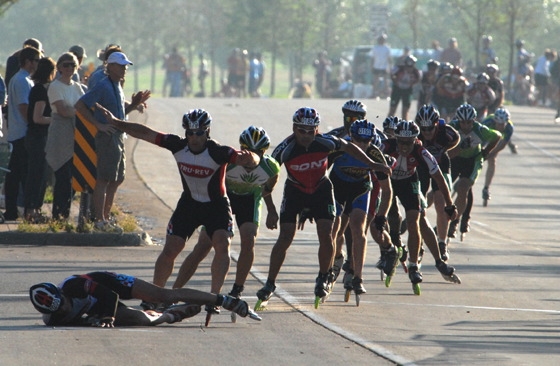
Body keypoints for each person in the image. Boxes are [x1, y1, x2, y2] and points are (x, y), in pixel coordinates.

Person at [95, 106, 261, 310]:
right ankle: (153, 296)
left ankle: (214, 298)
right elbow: (145, 132)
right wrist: (116, 122)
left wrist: (252, 158)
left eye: (199, 133)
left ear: (207, 132)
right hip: (189, 204)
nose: (194, 138)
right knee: (171, 249)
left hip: (216, 205)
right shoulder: (177, 145)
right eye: (189, 133)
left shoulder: (218, 151)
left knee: (221, 243)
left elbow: (250, 159)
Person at [255, 107, 391, 307]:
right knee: (285, 237)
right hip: (295, 191)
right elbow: (266, 180)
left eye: (312, 131)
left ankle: (323, 276)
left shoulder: (325, 141)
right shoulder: (285, 149)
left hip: (321, 190)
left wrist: (373, 164)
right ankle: (270, 283)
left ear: (317, 129)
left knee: (327, 233)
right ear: (294, 128)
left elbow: (349, 147)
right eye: (302, 131)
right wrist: (272, 210)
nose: (307, 136)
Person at [171, 126, 280, 313]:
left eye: (256, 152)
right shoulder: (229, 162)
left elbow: (267, 188)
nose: (250, 156)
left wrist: (271, 210)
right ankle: (174, 292)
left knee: (249, 239)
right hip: (224, 198)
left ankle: (236, 289)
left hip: (248, 200)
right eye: (247, 150)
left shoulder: (271, 168)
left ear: (264, 152)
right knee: (203, 246)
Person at [380, 120, 460, 294]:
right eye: (401, 141)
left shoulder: (421, 151)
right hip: (389, 184)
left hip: (410, 182)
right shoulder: (385, 147)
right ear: (396, 139)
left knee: (415, 221)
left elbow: (440, 178)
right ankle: (389, 249)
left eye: (409, 143)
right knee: (388, 218)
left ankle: (415, 265)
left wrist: (449, 205)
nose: (404, 146)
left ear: (416, 140)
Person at [75, 52, 150, 231]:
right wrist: (98, 125)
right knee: (104, 179)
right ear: (111, 67)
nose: (125, 68)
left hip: (118, 136)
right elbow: (80, 105)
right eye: (121, 65)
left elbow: (119, 115)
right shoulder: (103, 85)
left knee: (117, 179)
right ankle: (100, 219)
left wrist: (133, 104)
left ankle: (106, 217)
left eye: (125, 66)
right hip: (108, 137)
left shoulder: (117, 85)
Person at [29, 271, 260, 327]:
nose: (66, 308)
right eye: (62, 310)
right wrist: (94, 320)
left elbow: (109, 295)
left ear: (63, 295)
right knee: (134, 318)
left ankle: (223, 300)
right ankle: (172, 314)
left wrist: (107, 316)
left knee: (163, 295)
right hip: (95, 305)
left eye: (66, 303)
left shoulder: (74, 285)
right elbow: (78, 322)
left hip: (107, 285)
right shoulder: (52, 319)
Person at [329, 119, 398, 297]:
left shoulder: (375, 154)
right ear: (351, 136)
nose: (362, 145)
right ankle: (336, 258)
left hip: (360, 189)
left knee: (359, 228)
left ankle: (358, 277)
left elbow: (387, 190)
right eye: (358, 140)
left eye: (366, 142)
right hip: (338, 188)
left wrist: (382, 217)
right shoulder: (339, 149)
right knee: (335, 230)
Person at [447, 104, 501, 240]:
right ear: (458, 120)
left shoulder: (480, 130)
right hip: (455, 159)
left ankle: (455, 221)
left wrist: (486, 151)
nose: (465, 125)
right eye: (463, 122)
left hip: (472, 161)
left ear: (474, 121)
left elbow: (497, 136)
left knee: (463, 187)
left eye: (469, 122)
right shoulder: (451, 128)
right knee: (443, 188)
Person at [415, 105, 460, 260]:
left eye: (430, 129)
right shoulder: (414, 133)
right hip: (421, 165)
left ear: (436, 125)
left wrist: (444, 149)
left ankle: (442, 243)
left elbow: (456, 139)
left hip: (441, 163)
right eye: (424, 129)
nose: (426, 132)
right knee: (419, 207)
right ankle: (419, 242)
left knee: (441, 204)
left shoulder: (446, 132)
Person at [45, 53, 86, 221]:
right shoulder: (55, 86)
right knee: (62, 177)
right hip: (61, 134)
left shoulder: (78, 87)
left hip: (76, 136)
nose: (69, 68)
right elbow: (62, 110)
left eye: (73, 65)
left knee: (73, 178)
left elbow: (86, 106)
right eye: (66, 65)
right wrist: (79, 113)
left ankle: (66, 214)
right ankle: (58, 215)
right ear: (59, 67)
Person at [3, 46, 42, 221]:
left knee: (16, 174)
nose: (38, 64)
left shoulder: (24, 79)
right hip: (22, 133)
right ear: (28, 61)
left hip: (19, 133)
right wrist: (33, 123)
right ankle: (23, 210)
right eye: (36, 60)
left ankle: (14, 210)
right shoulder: (21, 81)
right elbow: (24, 107)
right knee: (23, 174)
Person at [23, 57, 56, 223]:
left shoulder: (36, 89)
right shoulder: (41, 91)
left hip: (34, 137)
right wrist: (54, 119)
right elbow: (37, 117)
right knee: (38, 174)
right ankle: (32, 209)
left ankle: (33, 208)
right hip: (38, 137)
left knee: (37, 174)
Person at [480, 107, 514, 205]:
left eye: (503, 124)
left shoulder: (509, 128)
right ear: (495, 121)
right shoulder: (487, 122)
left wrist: (490, 154)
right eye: (499, 124)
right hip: (486, 135)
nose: (501, 126)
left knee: (492, 159)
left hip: (497, 139)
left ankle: (486, 188)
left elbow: (502, 145)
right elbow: (479, 139)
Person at [387, 55, 421, 120]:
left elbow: (418, 79)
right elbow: (391, 74)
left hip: (407, 91)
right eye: (407, 66)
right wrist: (395, 81)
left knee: (405, 111)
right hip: (397, 90)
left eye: (411, 67)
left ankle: (405, 127)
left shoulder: (416, 72)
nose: (409, 68)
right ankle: (388, 125)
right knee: (392, 110)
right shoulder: (398, 69)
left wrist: (411, 84)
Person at [369, 34, 392, 98]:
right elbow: (372, 58)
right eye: (381, 39)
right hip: (376, 66)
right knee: (376, 80)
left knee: (386, 80)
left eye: (383, 40)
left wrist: (390, 67)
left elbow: (389, 58)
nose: (382, 41)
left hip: (384, 67)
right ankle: (375, 93)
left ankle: (386, 94)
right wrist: (371, 66)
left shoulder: (387, 48)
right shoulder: (375, 48)